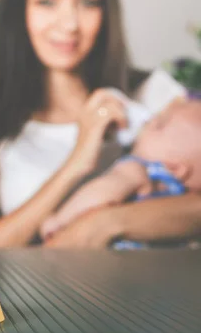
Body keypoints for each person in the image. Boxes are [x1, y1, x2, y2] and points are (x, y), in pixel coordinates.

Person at [0, 0, 199, 248]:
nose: (69, 24)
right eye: (46, 2)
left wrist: (104, 225)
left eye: (88, 2)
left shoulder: (153, 95)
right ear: (19, 10)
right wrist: (75, 163)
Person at [41, 99, 201, 247]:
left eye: (159, 125)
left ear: (175, 168)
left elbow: (103, 190)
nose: (148, 122)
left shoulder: (138, 169)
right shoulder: (180, 201)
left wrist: (61, 220)